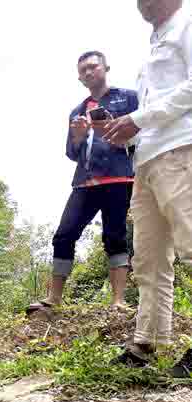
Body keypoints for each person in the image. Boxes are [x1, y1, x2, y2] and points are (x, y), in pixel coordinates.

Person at [105, 0, 192, 377]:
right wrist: (125, 132)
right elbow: (154, 107)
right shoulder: (155, 43)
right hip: (147, 159)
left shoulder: (187, 23)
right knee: (148, 259)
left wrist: (138, 118)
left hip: (182, 148)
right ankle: (147, 343)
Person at [27, 51, 138, 317]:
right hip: (85, 182)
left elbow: (143, 132)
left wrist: (112, 129)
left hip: (119, 177)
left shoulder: (129, 98)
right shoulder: (77, 111)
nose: (88, 72)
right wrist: (78, 137)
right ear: (79, 78)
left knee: (115, 236)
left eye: (93, 67)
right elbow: (72, 152)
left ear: (106, 68)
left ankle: (118, 301)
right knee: (64, 234)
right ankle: (54, 298)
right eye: (83, 70)